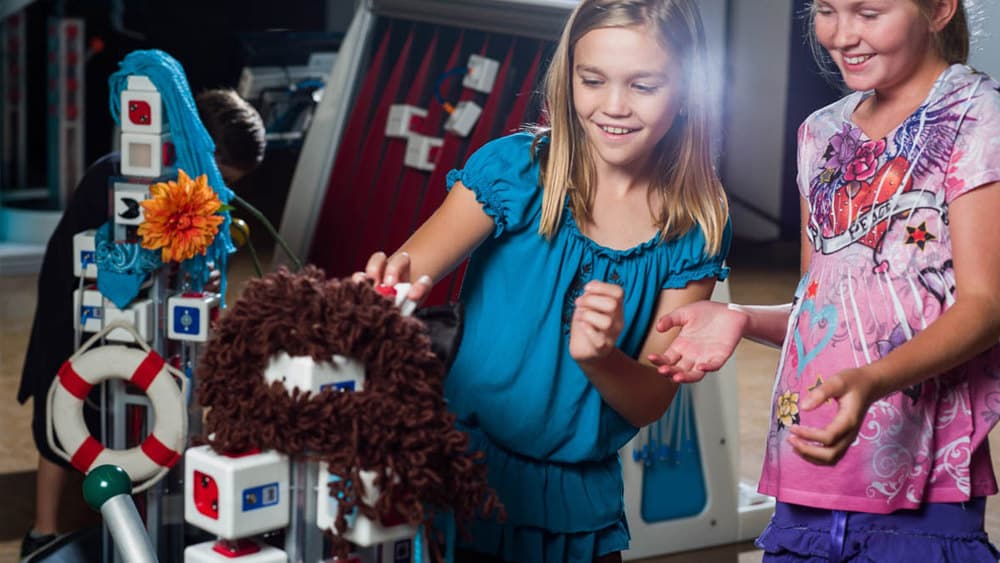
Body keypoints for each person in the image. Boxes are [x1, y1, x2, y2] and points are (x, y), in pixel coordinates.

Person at [357, 1, 732, 561]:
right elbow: (404, 278)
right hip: (457, 474)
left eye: (643, 85)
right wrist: (381, 294)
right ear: (568, 77)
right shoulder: (514, 170)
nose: (613, 106)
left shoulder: (696, 224)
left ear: (687, 90)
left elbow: (651, 399)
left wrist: (599, 356)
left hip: (577, 509)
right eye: (592, 80)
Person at [649, 0, 1000, 560]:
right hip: (809, 455)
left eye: (868, 12)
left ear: (938, 9)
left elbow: (986, 307)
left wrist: (872, 382)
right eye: (828, 11)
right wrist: (739, 317)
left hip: (920, 475)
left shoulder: (978, 117)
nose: (842, 35)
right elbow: (823, 309)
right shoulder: (822, 132)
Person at [16, 87, 265, 559]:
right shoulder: (117, 174)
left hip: (150, 314)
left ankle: (149, 513)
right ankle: (43, 529)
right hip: (75, 300)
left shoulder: (197, 197)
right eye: (221, 177)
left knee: (149, 403)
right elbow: (107, 251)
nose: (223, 190)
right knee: (60, 406)